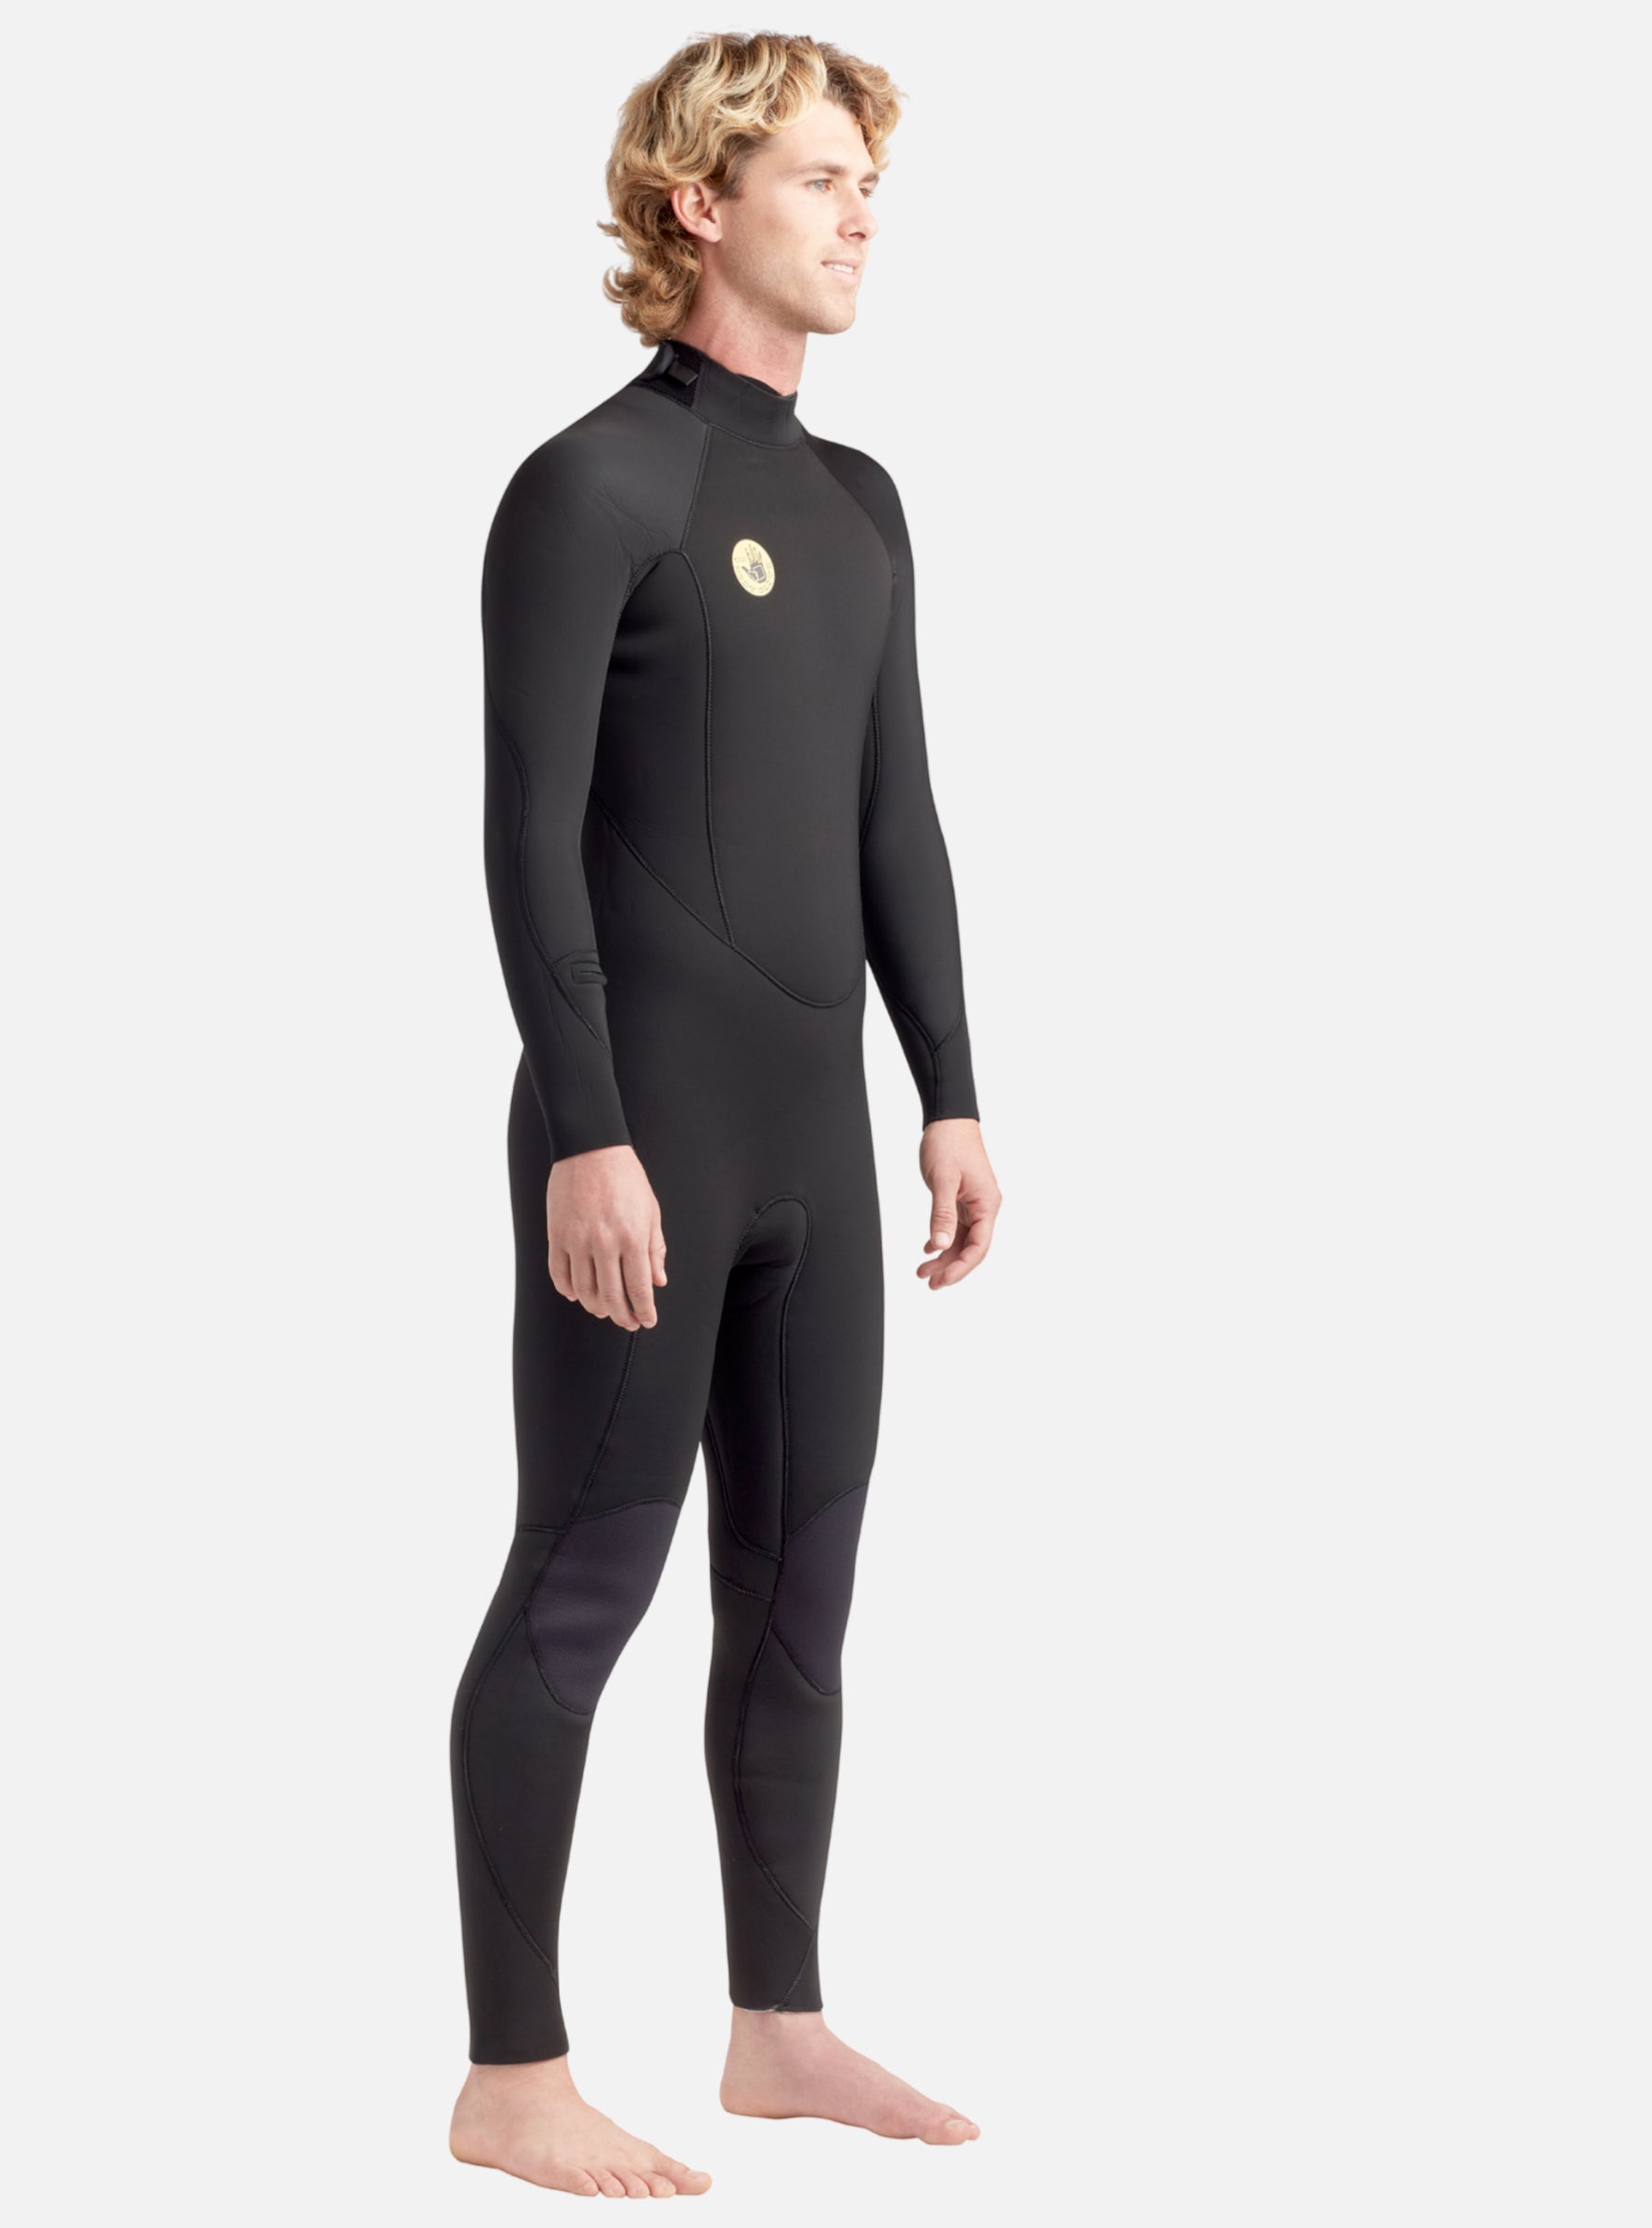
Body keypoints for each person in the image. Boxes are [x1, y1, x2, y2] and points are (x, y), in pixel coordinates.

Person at [448, 32, 1002, 2198]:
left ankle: (778, 2028)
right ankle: (512, 2074)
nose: (864, 218)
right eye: (821, 180)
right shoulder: (591, 486)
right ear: (701, 202)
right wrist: (588, 1127)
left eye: (871, 185)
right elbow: (524, 839)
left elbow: (896, 823)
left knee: (799, 1585)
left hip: (819, 1152)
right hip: (645, 1136)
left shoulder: (860, 505)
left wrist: (952, 1090)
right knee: (584, 1579)